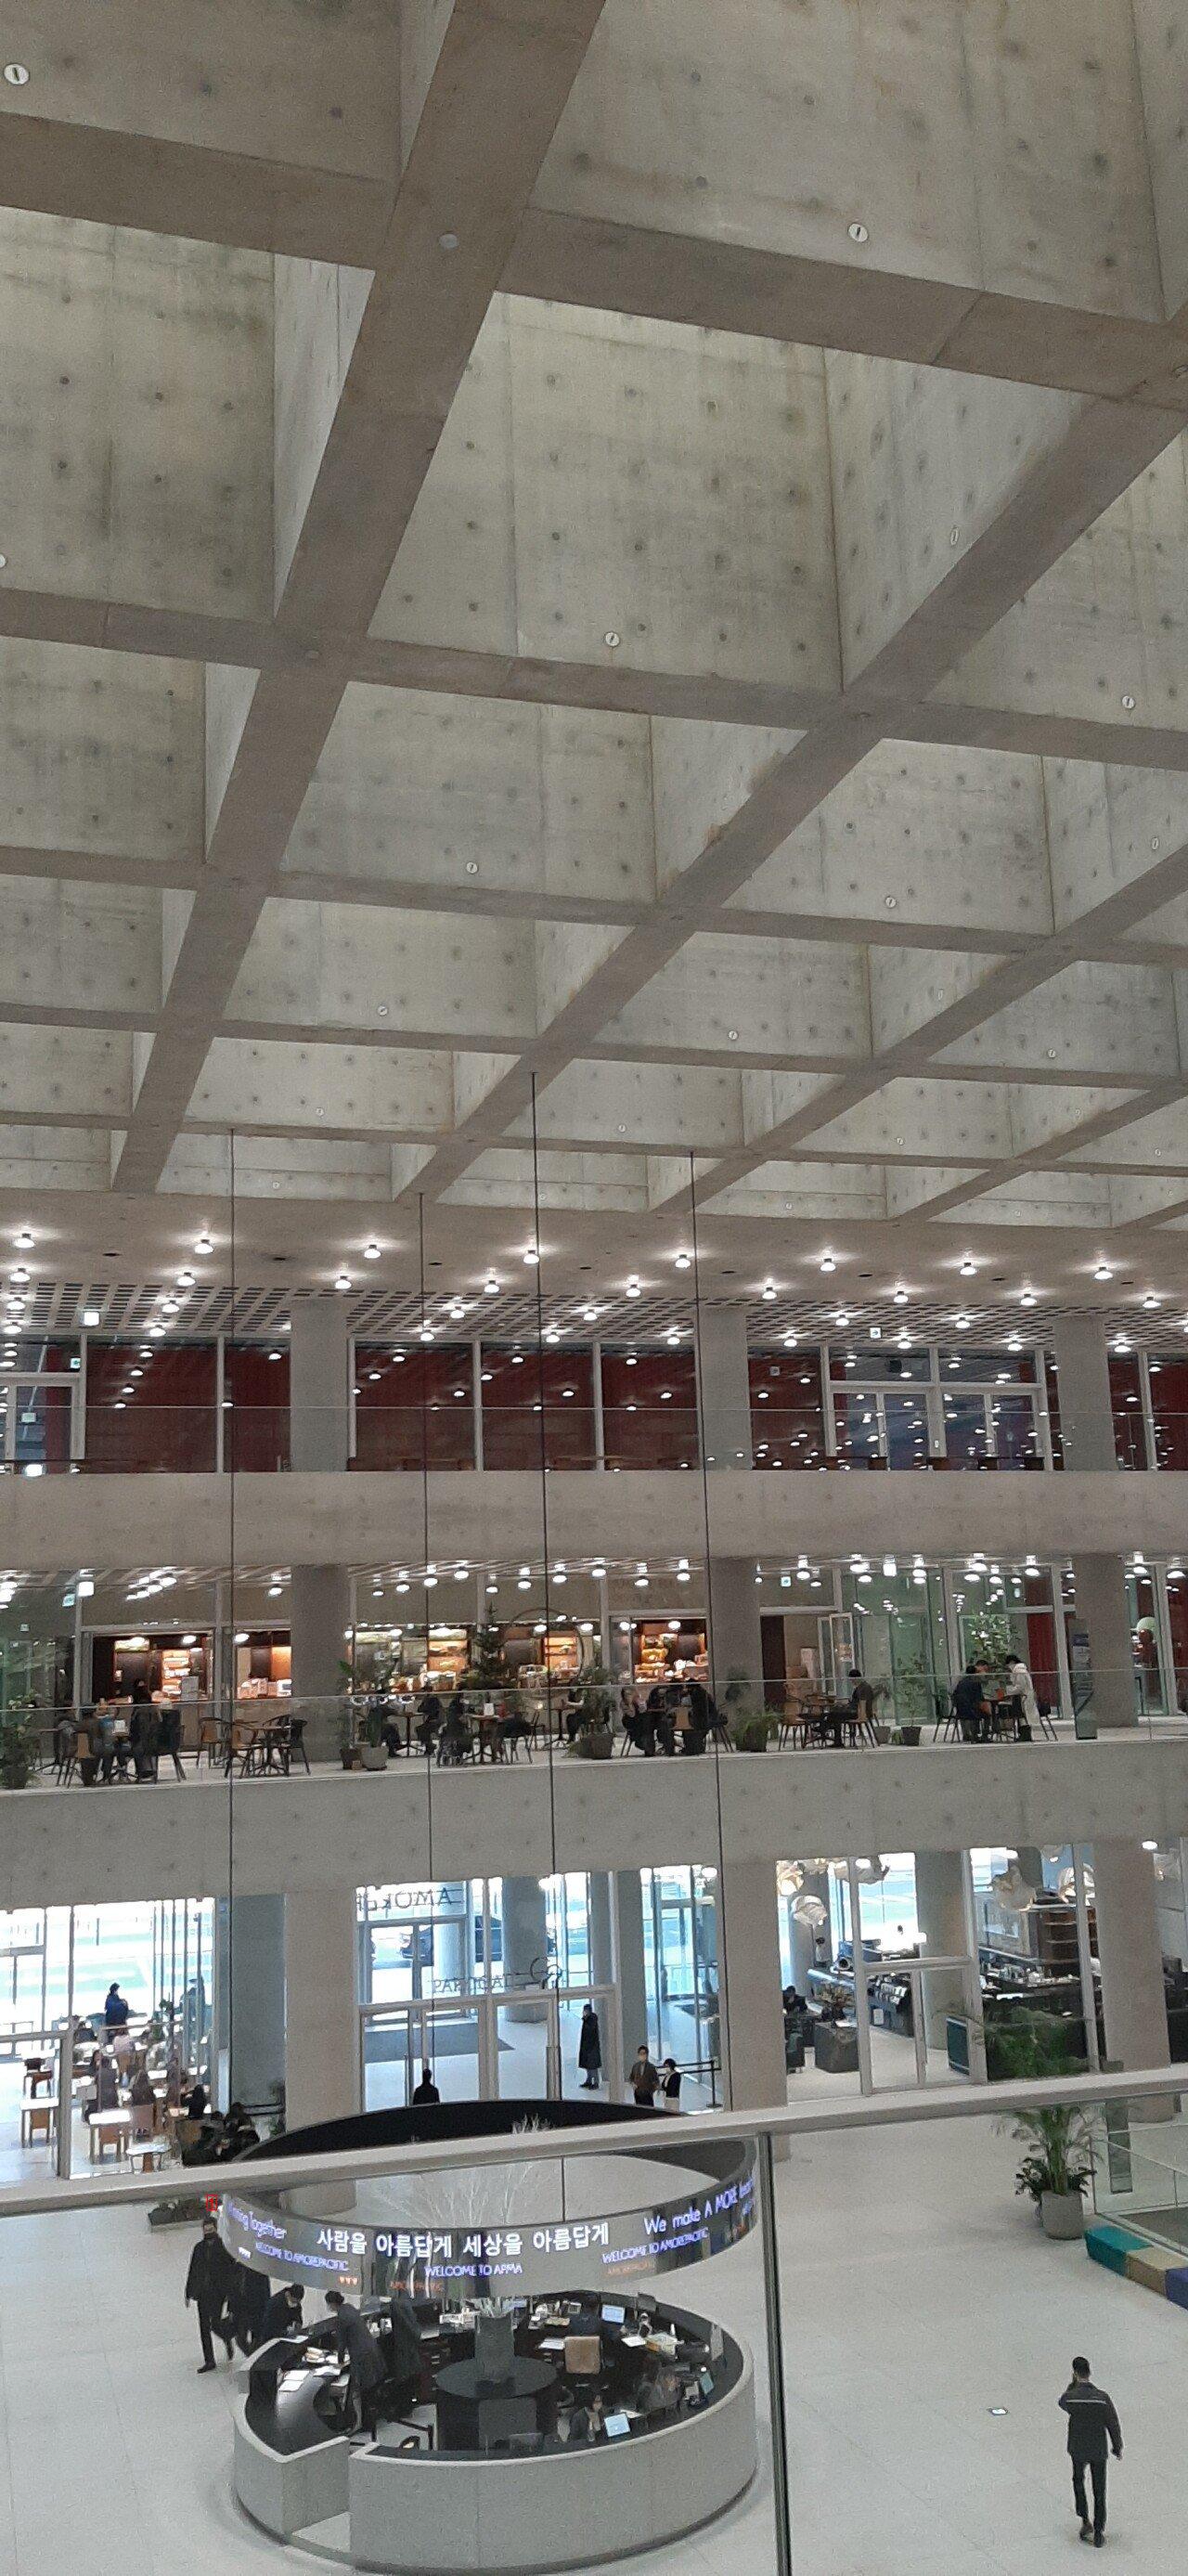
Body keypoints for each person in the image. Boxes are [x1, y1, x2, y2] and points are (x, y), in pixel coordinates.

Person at [1059, 2355, 1122, 2546]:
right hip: (1098, 2449)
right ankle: (1099, 2530)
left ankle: (1085, 2520)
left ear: (1075, 2373)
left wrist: (1073, 2385)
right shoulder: (1102, 2398)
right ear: (1090, 2371)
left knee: (1078, 2481)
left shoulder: (1072, 2397)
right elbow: (1113, 2423)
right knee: (1099, 2489)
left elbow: (1062, 2403)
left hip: (1078, 2447)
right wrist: (1117, 2446)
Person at [325, 2291, 385, 2437]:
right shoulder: (350, 2308)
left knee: (365, 2389)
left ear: (332, 2304)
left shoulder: (341, 2318)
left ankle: (366, 2423)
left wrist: (339, 2362)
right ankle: (371, 2419)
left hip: (362, 2356)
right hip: (371, 2349)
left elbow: (341, 2343)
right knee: (371, 2387)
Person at [185, 2215, 235, 2373]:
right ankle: (209, 2360)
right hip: (202, 2293)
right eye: (205, 2230)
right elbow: (193, 2270)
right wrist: (188, 2292)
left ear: (215, 2228)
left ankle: (226, 2336)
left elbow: (231, 2271)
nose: (208, 2232)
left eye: (210, 2230)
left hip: (218, 2293)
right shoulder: (198, 2248)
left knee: (215, 2323)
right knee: (204, 2327)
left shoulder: (224, 2247)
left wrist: (231, 2292)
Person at [385, 2282, 422, 2403]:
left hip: (404, 2343)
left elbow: (405, 2323)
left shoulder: (396, 2303)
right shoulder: (405, 2299)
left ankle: (405, 2405)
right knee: (410, 2374)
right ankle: (409, 2402)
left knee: (404, 2375)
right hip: (410, 2341)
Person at [951, 1660, 992, 1744]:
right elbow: (979, 1699)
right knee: (986, 1715)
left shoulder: (961, 1683)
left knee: (975, 1710)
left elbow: (955, 1695)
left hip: (960, 1711)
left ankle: (974, 1735)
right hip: (971, 1711)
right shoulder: (975, 1683)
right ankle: (984, 1735)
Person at [1006, 1652, 1040, 1738]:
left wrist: (1008, 1691)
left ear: (1012, 1662)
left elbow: (1020, 1686)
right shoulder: (1021, 1670)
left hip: (1023, 1696)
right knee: (1024, 1716)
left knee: (1022, 1715)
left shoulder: (1019, 1671)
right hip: (1024, 1696)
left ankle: (1025, 1734)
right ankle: (1024, 1734)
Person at [261, 2282, 305, 2346]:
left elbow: (298, 2319)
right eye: (293, 2301)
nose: (295, 2304)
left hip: (287, 2339)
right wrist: (285, 2333)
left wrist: (297, 2326)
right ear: (289, 2295)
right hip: (270, 2340)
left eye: (297, 2302)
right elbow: (268, 2328)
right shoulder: (274, 2304)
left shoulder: (296, 2305)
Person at [577, 2001, 602, 2090]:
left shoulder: (592, 2019)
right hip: (587, 2046)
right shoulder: (587, 2019)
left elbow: (590, 2030)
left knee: (593, 2065)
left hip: (592, 2047)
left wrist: (585, 2019)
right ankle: (588, 2081)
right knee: (588, 2065)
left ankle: (595, 2082)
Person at [628, 2044, 659, 2108]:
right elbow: (631, 2078)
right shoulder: (635, 2066)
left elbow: (656, 2081)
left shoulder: (651, 2067)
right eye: (640, 2054)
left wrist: (651, 2091)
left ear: (647, 2055)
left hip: (648, 2095)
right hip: (638, 2094)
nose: (642, 2055)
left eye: (644, 2053)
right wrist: (633, 2084)